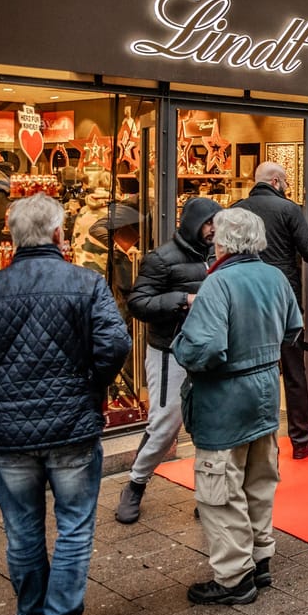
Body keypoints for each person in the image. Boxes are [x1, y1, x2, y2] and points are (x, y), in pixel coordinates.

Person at [0, 195, 131, 615]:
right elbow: (115, 344)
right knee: (73, 526)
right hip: (70, 428)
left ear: (11, 237)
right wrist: (91, 388)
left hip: (8, 435)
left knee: (23, 528)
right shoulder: (87, 284)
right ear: (56, 235)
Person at [174, 208, 302, 606]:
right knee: (259, 482)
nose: (212, 239)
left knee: (221, 489)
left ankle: (234, 577)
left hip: (225, 399)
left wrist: (181, 345)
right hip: (264, 394)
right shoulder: (275, 276)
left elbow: (203, 348)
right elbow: (293, 329)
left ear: (225, 241)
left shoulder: (219, 283)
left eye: (216, 235)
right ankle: (259, 558)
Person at [117, 197, 222, 525]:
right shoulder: (161, 259)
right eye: (208, 223)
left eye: (217, 223)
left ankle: (206, 494)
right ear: (194, 223)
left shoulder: (219, 255)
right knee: (165, 423)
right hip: (169, 350)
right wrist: (182, 300)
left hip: (207, 349)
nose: (213, 229)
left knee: (209, 423)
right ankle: (136, 483)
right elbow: (138, 302)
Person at [234, 162, 308, 459]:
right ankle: (301, 440)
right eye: (287, 182)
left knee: (248, 370)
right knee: (293, 371)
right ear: (276, 181)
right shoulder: (289, 209)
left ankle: (252, 444)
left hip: (246, 298)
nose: (288, 186)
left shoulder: (237, 209)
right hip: (283, 298)